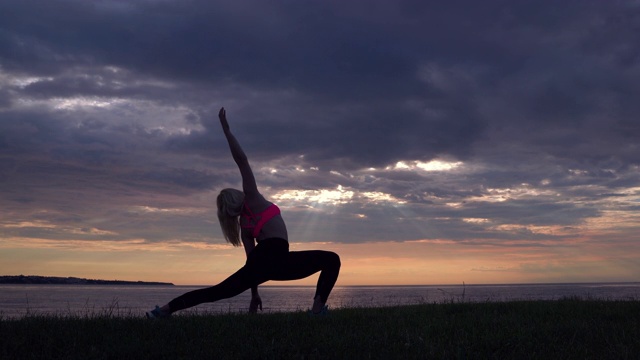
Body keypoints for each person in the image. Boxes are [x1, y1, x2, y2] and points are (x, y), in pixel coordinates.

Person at [146, 107, 341, 318]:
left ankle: (163, 311)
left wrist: (254, 295)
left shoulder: (245, 227)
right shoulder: (252, 200)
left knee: (217, 292)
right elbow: (242, 160)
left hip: (265, 263)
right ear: (236, 197)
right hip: (278, 259)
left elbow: (252, 264)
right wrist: (227, 131)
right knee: (331, 260)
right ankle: (317, 309)